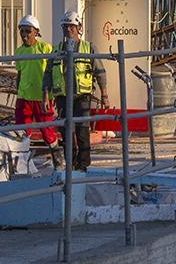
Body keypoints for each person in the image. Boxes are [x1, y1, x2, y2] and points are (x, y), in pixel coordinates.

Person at [44, 10, 108, 171]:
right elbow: (48, 73)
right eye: (65, 27)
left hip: (82, 96)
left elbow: (99, 71)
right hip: (62, 96)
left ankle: (83, 164)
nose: (68, 30)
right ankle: (70, 164)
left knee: (82, 130)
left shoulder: (88, 48)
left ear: (79, 27)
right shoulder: (57, 50)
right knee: (66, 131)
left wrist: (105, 95)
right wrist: (46, 95)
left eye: (72, 26)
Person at [13, 14, 62, 168]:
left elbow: (54, 72)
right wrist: (17, 92)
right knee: (22, 131)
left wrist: (52, 94)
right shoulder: (19, 51)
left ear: (36, 32)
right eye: (22, 31)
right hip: (24, 97)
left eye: (28, 31)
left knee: (47, 131)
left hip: (42, 97)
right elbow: (20, 73)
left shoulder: (45, 49)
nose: (24, 35)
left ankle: (57, 158)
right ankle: (22, 164)